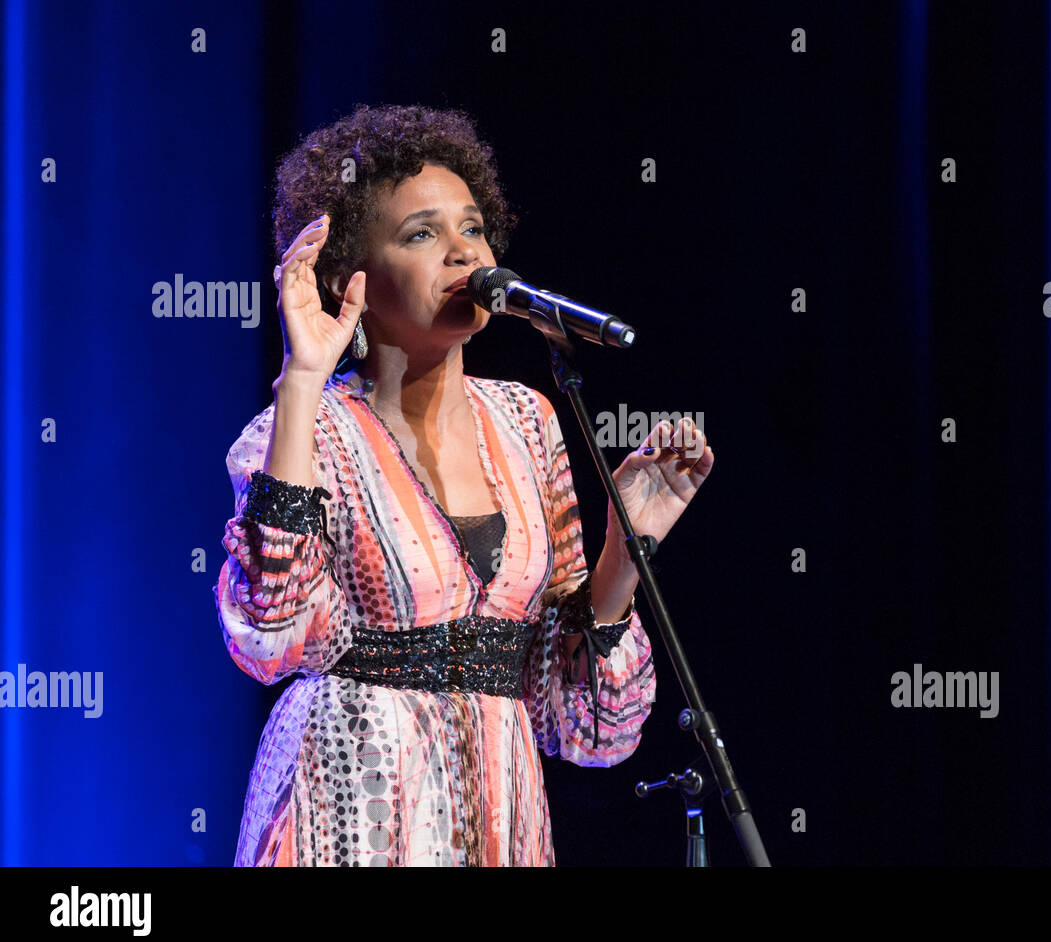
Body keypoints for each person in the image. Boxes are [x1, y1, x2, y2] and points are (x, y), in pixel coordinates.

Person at [213, 104, 714, 866]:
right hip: (353, 805)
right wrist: (303, 379)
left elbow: (582, 720)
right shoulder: (306, 428)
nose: (463, 253)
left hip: (500, 809)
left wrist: (625, 549)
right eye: (422, 234)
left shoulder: (527, 421)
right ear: (352, 276)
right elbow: (268, 635)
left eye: (473, 229)